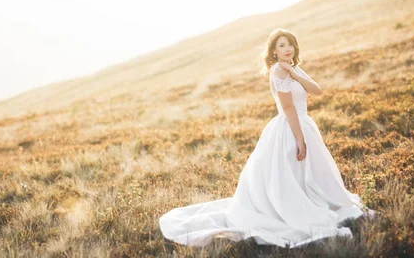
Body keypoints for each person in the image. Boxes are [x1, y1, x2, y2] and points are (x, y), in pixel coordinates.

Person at [159, 28, 376, 248]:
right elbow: (288, 107)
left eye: (290, 44)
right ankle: (290, 209)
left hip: (305, 124)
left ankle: (312, 200)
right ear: (273, 50)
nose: (287, 48)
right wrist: (299, 139)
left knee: (308, 174)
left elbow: (317, 90)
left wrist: (295, 73)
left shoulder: (292, 69)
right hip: (289, 128)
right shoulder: (277, 72)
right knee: (290, 171)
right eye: (281, 45)